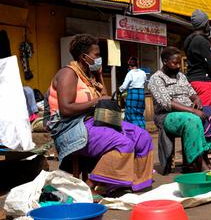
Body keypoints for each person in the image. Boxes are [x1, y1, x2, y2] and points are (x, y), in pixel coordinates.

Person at [45, 34, 154, 196]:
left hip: (95, 121)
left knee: (142, 137)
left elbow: (106, 99)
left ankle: (132, 181)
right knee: (123, 143)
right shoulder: (68, 74)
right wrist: (94, 102)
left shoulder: (89, 75)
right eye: (96, 55)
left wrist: (99, 75)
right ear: (84, 57)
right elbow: (66, 109)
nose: (99, 58)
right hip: (71, 126)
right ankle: (91, 184)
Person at [149, 47, 211, 174]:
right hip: (167, 116)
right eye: (175, 63)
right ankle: (198, 161)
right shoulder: (156, 79)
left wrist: (197, 99)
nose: (178, 66)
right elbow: (167, 103)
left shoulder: (181, 76)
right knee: (193, 120)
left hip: (188, 110)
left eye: (180, 62)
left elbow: (191, 92)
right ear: (165, 61)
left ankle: (205, 154)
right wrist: (193, 111)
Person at [184, 9, 211, 106]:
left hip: (190, 81)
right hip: (203, 83)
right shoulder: (202, 41)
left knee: (193, 111)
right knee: (203, 113)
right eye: (208, 22)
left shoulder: (188, 39)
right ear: (205, 24)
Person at [119, 57, 147, 129]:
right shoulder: (143, 72)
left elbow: (124, 86)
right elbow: (145, 82)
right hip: (141, 94)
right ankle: (142, 129)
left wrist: (119, 89)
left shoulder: (130, 73)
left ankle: (133, 130)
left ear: (129, 66)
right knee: (139, 113)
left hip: (133, 94)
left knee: (131, 113)